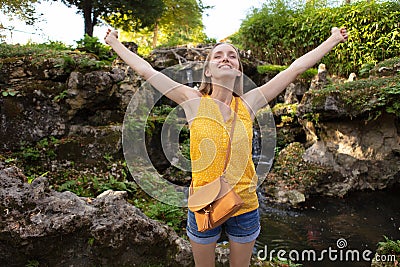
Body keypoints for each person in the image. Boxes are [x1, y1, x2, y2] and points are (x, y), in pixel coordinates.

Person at [104, 26, 348, 266]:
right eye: (218, 56)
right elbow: (147, 71)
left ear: (239, 71)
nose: (226, 59)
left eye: (232, 56)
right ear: (207, 71)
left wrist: (333, 40)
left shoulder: (249, 103)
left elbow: (295, 69)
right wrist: (115, 43)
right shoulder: (192, 101)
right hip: (204, 203)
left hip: (244, 207)